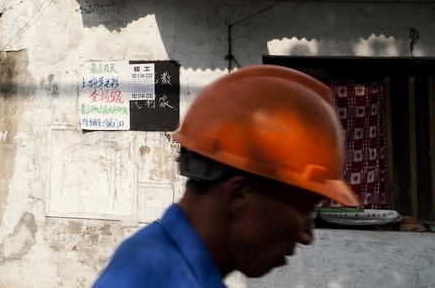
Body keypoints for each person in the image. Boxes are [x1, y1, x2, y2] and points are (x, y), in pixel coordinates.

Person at [93, 65, 359, 288]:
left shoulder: (157, 261)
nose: (307, 236)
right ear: (239, 195)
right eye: (304, 210)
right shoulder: (161, 276)